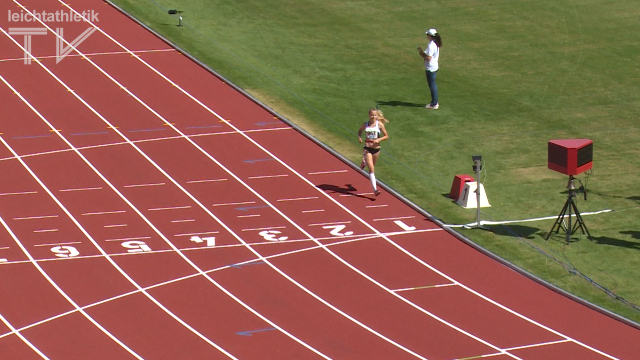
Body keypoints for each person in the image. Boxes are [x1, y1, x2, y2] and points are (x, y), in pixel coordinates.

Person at [358, 109, 389, 197]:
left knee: (372, 167)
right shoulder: (365, 124)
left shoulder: (379, 125)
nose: (373, 117)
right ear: (369, 115)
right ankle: (375, 190)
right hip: (367, 148)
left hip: (376, 149)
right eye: (372, 115)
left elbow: (386, 136)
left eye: (375, 115)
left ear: (377, 116)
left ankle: (364, 161)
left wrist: (379, 139)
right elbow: (359, 131)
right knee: (371, 169)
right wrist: (359, 137)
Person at [418, 28, 442, 109]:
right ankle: (435, 102)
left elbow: (428, 58)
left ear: (430, 36)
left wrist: (421, 54)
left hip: (430, 68)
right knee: (433, 84)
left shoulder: (431, 45)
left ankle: (434, 103)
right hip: (434, 66)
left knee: (432, 85)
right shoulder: (436, 43)